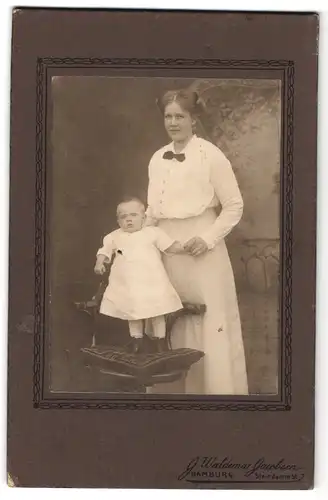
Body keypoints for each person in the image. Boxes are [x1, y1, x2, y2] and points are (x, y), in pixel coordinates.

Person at [146, 89, 249, 395]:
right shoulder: (157, 158)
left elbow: (234, 205)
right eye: (168, 116)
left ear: (193, 119)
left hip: (202, 251)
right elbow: (153, 210)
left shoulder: (211, 155)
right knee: (169, 320)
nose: (173, 122)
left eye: (180, 116)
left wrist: (207, 239)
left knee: (207, 322)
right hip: (168, 252)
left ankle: (213, 397)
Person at [94, 197, 184, 353]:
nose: (128, 220)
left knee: (157, 311)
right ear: (118, 221)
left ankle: (160, 342)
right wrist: (99, 262)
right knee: (132, 311)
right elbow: (104, 250)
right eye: (123, 217)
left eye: (133, 215)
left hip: (151, 281)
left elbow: (170, 247)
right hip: (127, 284)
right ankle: (137, 340)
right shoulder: (115, 236)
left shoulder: (153, 233)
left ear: (144, 218)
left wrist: (185, 247)